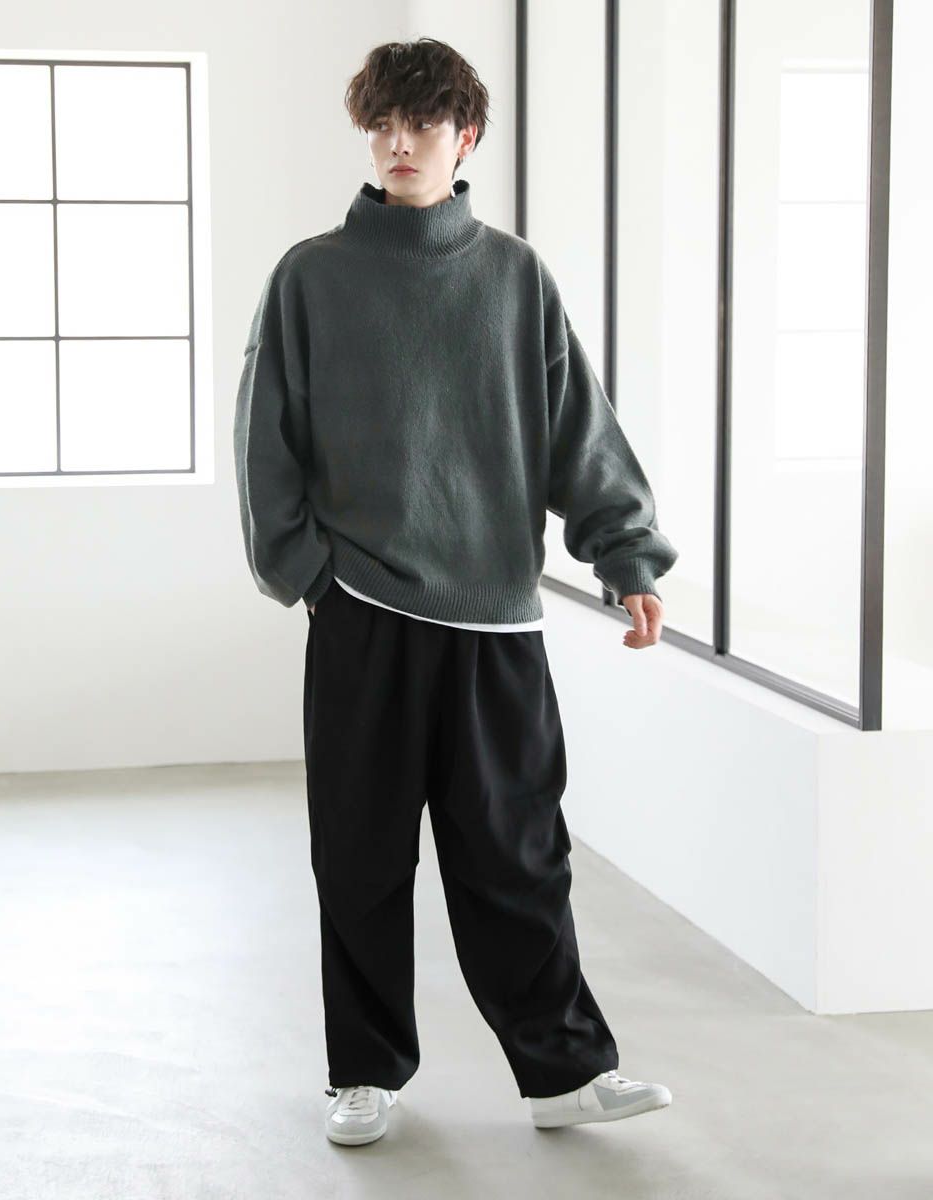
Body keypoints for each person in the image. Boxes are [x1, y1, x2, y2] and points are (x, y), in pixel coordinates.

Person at [233, 37, 679, 1147]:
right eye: (383, 123)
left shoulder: (515, 278)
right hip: (363, 616)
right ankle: (363, 1072)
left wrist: (625, 554)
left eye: (423, 123)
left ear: (464, 136)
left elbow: (579, 431)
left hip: (495, 620)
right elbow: (266, 443)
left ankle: (564, 1075)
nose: (399, 142)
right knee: (359, 854)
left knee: (518, 854)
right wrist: (311, 579)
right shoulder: (311, 277)